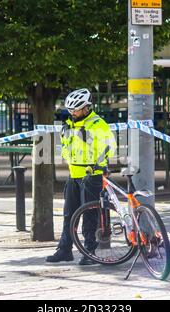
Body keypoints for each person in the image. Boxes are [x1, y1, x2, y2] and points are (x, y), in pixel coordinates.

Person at [46, 88, 116, 265]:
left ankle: (89, 252)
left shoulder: (97, 124)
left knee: (89, 216)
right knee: (69, 214)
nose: (72, 112)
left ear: (86, 107)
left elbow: (109, 147)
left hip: (91, 175)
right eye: (70, 110)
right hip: (74, 174)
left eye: (75, 109)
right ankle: (64, 250)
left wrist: (98, 164)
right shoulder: (68, 125)